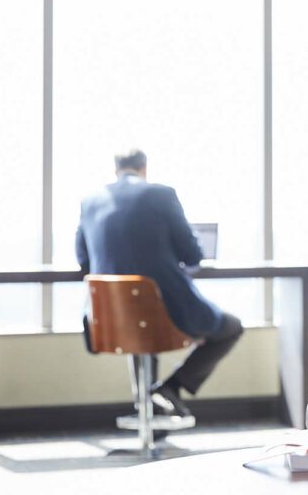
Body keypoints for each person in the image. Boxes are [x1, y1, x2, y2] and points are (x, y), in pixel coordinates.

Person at [76, 149, 243, 418]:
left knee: (140, 328)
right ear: (144, 168)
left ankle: (147, 408)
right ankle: (170, 388)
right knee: (231, 328)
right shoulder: (161, 195)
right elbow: (192, 255)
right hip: (168, 314)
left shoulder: (90, 201)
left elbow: (83, 259)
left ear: (115, 169)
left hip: (111, 319)